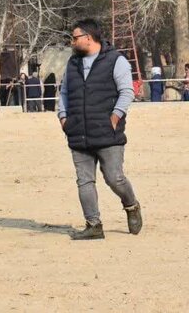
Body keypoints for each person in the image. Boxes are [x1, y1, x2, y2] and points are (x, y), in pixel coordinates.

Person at [58, 18, 142, 240]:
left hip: (108, 134)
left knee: (114, 178)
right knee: (84, 180)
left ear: (88, 37)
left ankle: (131, 205)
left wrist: (114, 119)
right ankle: (93, 225)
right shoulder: (72, 63)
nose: (72, 42)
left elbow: (127, 92)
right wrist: (63, 117)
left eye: (75, 37)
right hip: (78, 132)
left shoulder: (116, 60)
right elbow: (64, 92)